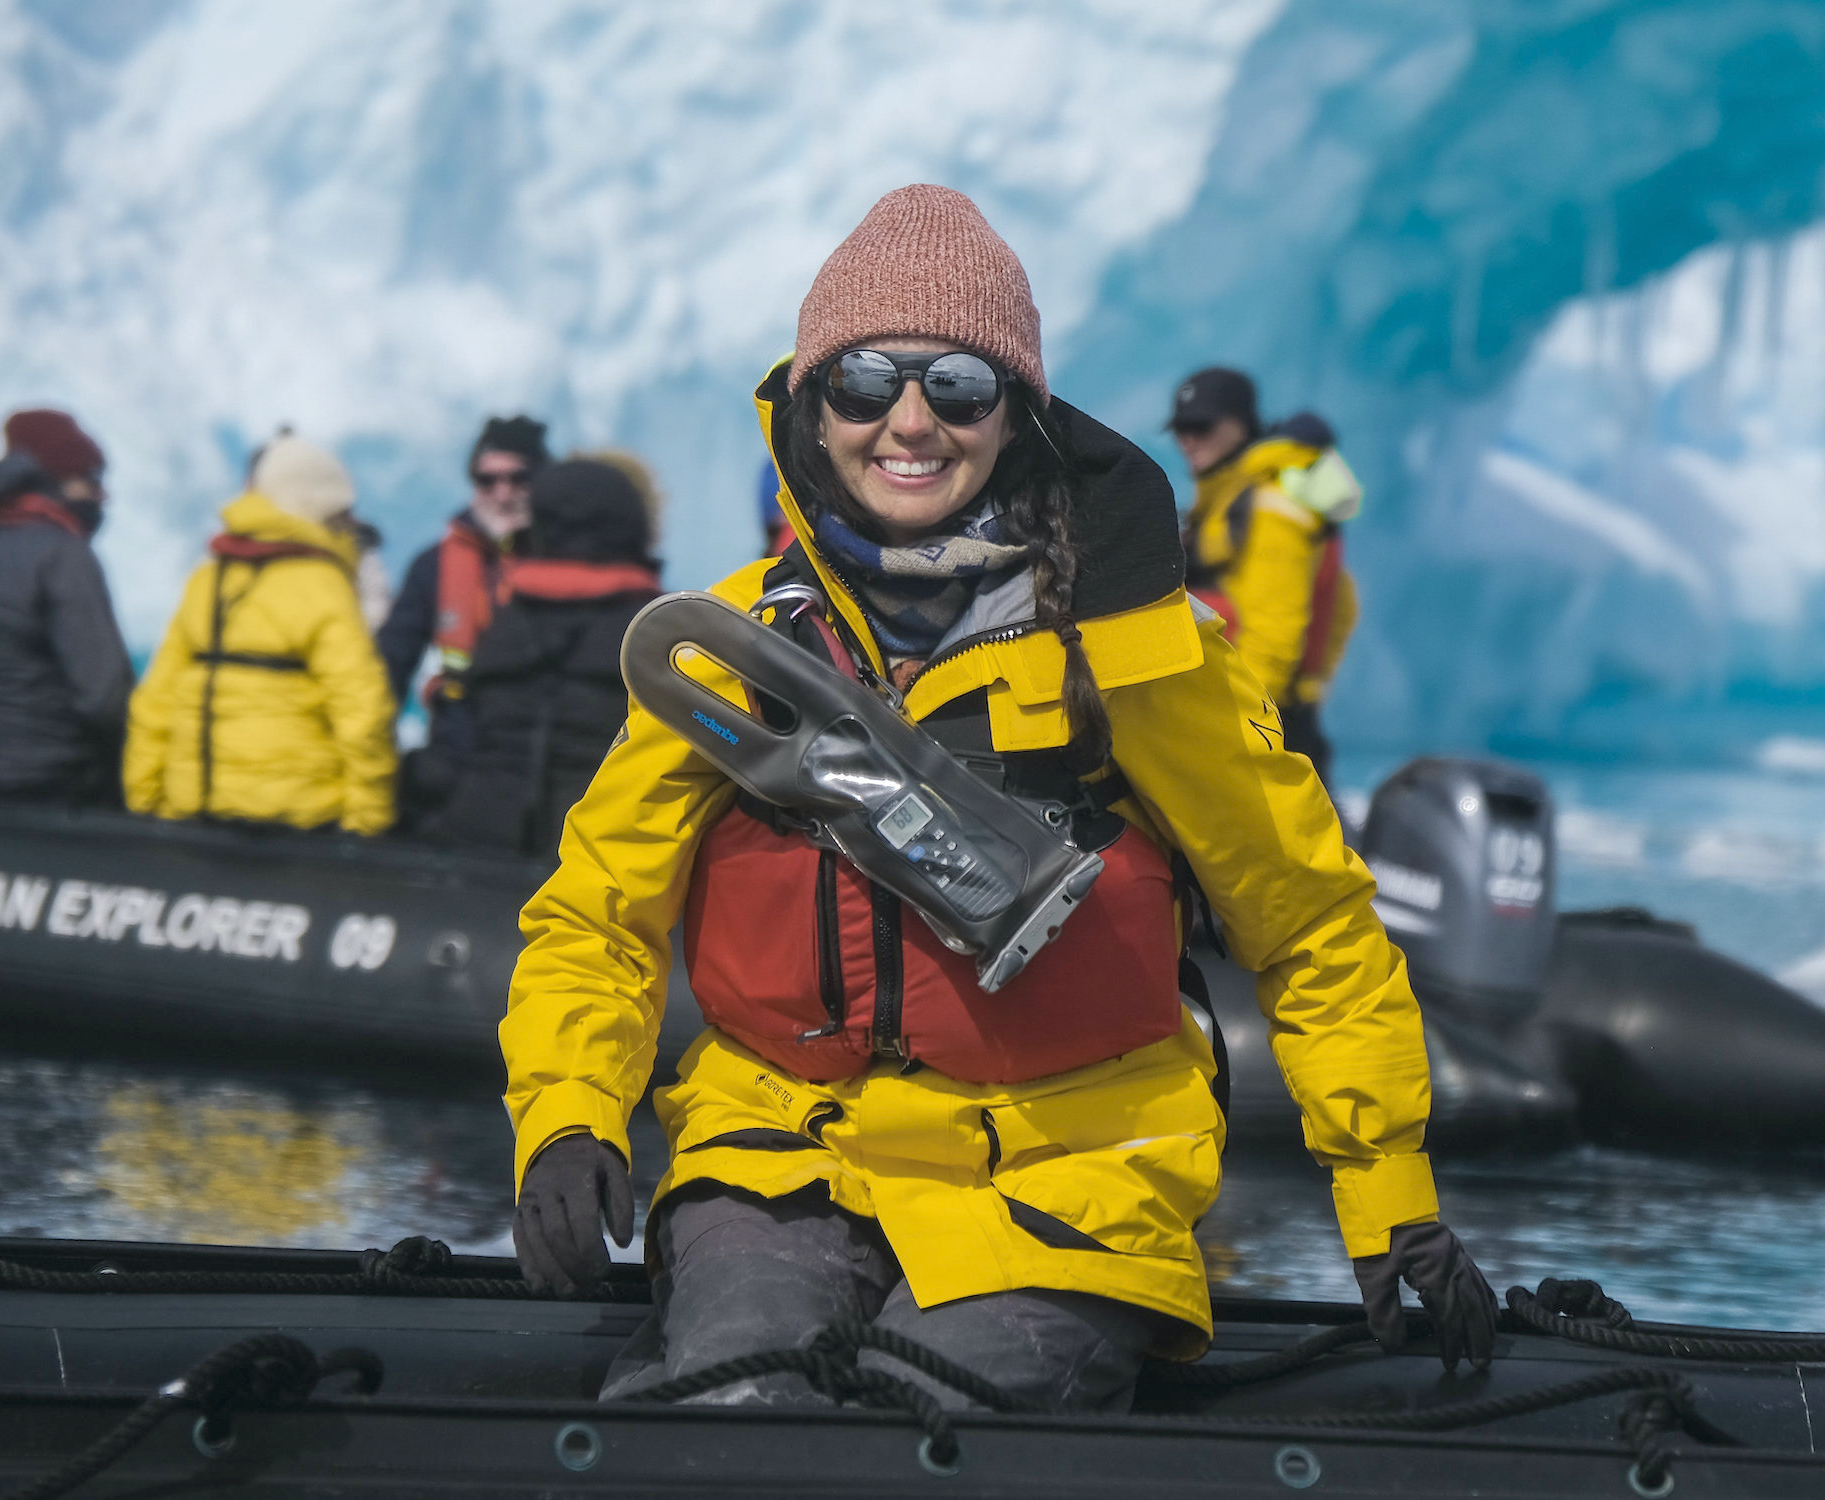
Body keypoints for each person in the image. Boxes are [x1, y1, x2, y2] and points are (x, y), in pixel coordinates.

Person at [500, 184, 1492, 1415]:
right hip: (780, 1153)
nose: (910, 421)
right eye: (866, 380)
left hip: (1070, 1176)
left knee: (940, 1421)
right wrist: (568, 1117)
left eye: (960, 385)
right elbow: (596, 915)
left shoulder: (1138, 650)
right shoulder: (736, 649)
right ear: (813, 406)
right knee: (732, 1405)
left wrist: (1386, 1187)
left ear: (1015, 413)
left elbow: (1309, 921)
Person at [124, 434, 398, 834]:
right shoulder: (325, 586)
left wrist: (145, 799)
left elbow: (155, 701)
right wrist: (369, 820)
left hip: (194, 813)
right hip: (298, 823)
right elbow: (363, 711)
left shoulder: (208, 579)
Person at [418, 458, 663, 855]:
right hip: (593, 852)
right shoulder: (653, 631)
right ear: (632, 525)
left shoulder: (509, 617)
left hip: (477, 836)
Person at [0, 409, 134, 804]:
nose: (102, 495)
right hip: (40, 782)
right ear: (59, 480)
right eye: (91, 478)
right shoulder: (63, 555)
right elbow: (103, 697)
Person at [1170, 370, 1363, 781]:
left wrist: (1241, 730)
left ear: (1240, 424)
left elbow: (1274, 635)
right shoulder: (1229, 497)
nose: (1188, 440)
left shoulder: (1269, 507)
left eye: (1201, 426)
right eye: (1180, 429)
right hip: (1245, 712)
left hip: (1263, 724)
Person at [378, 415, 548, 759]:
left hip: (543, 743)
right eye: (487, 480)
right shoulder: (432, 565)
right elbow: (391, 662)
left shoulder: (564, 558)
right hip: (459, 743)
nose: (503, 493)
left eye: (518, 479)